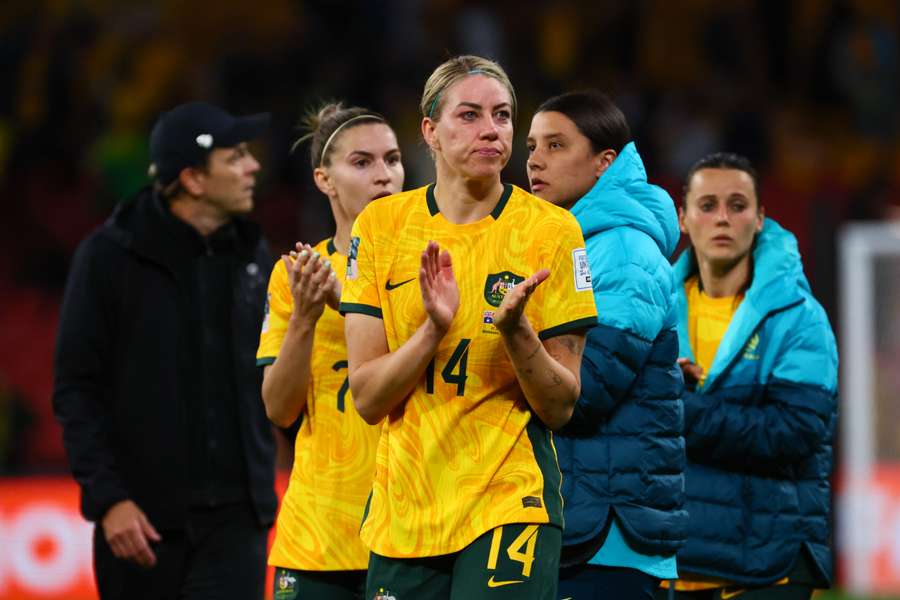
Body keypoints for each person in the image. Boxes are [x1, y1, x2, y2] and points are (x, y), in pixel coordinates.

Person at [339, 55, 598, 600]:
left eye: (503, 116)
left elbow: (561, 406)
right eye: (470, 115)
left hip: (510, 497)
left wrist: (516, 332)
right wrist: (432, 329)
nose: (491, 130)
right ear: (429, 131)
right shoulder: (381, 227)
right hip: (405, 508)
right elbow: (366, 398)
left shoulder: (552, 231)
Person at [52, 102, 277, 599]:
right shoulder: (109, 257)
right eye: (236, 156)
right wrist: (109, 501)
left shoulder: (253, 256)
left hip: (237, 525)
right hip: (143, 527)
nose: (253, 166)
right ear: (194, 179)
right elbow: (76, 390)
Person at [526, 91, 686, 600]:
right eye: (531, 146)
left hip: (609, 530)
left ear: (604, 163)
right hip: (586, 517)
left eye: (556, 145)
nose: (534, 160)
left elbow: (586, 390)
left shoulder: (621, 249)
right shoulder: (574, 242)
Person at [656, 152, 837, 600]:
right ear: (683, 218)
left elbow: (794, 432)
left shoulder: (799, 319)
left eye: (737, 206)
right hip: (673, 560)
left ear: (759, 219)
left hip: (768, 563)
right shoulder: (654, 313)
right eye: (707, 205)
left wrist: (677, 405)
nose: (722, 218)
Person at [256, 102, 404, 599]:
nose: (384, 175)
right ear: (325, 180)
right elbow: (278, 408)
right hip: (317, 535)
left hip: (411, 528)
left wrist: (348, 305)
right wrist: (303, 315)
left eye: (393, 159)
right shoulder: (296, 275)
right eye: (362, 163)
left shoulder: (434, 264)